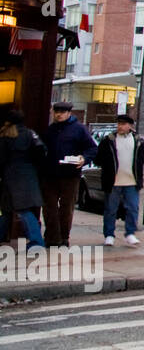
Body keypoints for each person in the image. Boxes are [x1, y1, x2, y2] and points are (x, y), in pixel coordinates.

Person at [40, 101, 97, 247]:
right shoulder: (50, 130)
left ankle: (64, 237)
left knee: (66, 207)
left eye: (62, 112)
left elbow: (91, 148)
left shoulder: (79, 129)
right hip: (50, 174)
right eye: (56, 112)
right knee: (49, 207)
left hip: (70, 174)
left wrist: (84, 158)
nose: (58, 115)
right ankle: (52, 237)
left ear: (69, 113)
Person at [94, 113, 144, 247]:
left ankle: (130, 233)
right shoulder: (109, 140)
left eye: (123, 124)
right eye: (119, 124)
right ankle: (109, 235)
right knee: (110, 209)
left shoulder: (138, 141)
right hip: (113, 181)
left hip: (131, 180)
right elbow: (98, 158)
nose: (120, 126)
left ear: (130, 126)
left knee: (132, 208)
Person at [0, 110, 46, 248]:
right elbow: (42, 151)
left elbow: (1, 159)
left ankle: (36, 242)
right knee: (12, 210)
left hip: (11, 176)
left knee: (17, 211)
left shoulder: (5, 136)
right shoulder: (31, 134)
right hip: (29, 175)